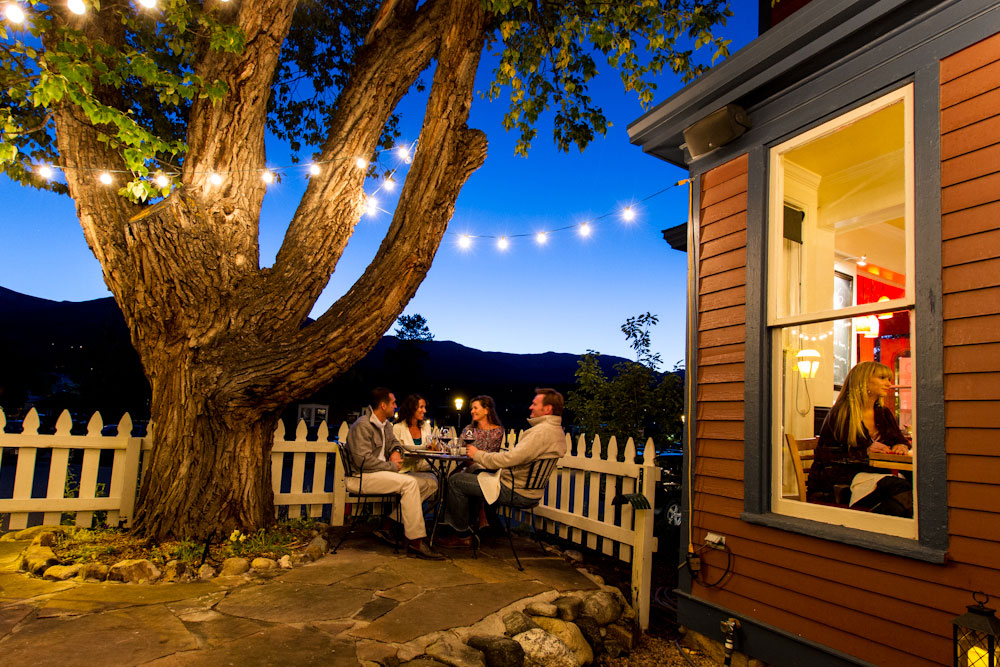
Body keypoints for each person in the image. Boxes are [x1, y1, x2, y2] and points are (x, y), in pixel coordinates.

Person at [436, 388, 566, 547]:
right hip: (529, 489)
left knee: (456, 481)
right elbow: (520, 456)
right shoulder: (556, 431)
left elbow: (510, 459)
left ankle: (462, 535)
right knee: (470, 475)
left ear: (547, 409)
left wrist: (478, 455)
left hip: (515, 489)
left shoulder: (540, 432)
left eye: (534, 404)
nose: (530, 407)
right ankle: (468, 527)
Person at [345, 387, 443, 559]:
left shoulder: (385, 426)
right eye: (393, 403)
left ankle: (392, 526)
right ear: (383, 405)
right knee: (410, 483)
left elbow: (395, 444)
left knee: (428, 483)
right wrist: (391, 465)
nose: (396, 406)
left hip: (379, 473)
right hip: (362, 477)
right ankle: (416, 542)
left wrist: (396, 450)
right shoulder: (363, 425)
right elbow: (362, 462)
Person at [807, 361, 913, 516]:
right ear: (863, 381)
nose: (888, 384)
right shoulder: (842, 413)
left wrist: (901, 446)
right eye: (882, 378)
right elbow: (829, 456)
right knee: (898, 488)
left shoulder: (882, 413)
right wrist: (866, 451)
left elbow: (899, 439)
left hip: (873, 475)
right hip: (839, 481)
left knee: (916, 481)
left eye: (889, 379)